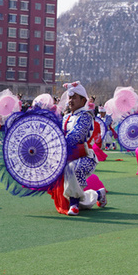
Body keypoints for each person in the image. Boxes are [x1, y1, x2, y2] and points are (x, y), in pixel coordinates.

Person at [49, 82, 106, 216]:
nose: (70, 101)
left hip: (84, 156)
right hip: (67, 156)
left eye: (74, 98)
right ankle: (97, 194)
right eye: (70, 98)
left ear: (83, 100)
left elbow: (77, 136)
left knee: (71, 168)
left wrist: (59, 142)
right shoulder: (66, 117)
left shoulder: (86, 116)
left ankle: (74, 204)